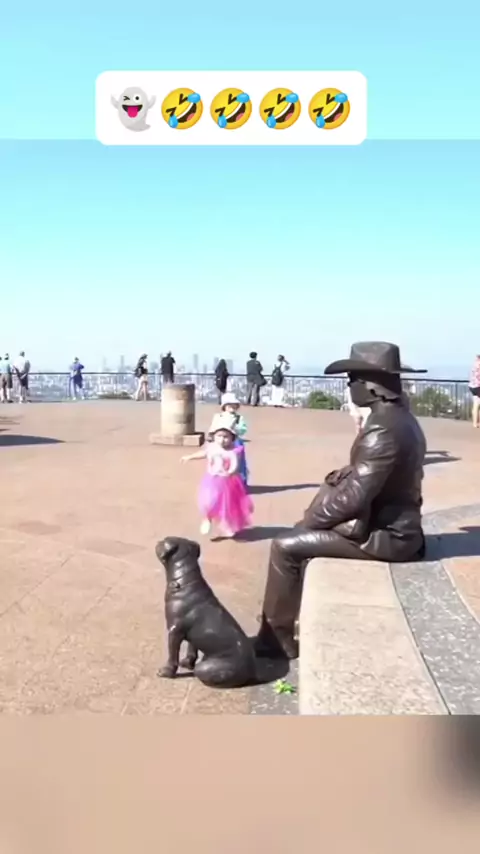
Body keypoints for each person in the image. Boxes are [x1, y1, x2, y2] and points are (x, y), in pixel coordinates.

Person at [254, 341, 428, 661]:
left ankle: (275, 639)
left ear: (370, 386)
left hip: (387, 537)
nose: (349, 386)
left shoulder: (383, 430)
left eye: (352, 379)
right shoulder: (403, 419)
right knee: (299, 537)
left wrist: (307, 522)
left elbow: (353, 497)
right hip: (399, 527)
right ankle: (284, 622)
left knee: (285, 545)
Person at [181, 412, 253, 539]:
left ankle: (227, 526)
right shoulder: (212, 447)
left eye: (226, 437)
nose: (222, 439)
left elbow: (235, 464)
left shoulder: (233, 451)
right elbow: (203, 454)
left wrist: (231, 471)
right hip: (211, 480)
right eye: (219, 436)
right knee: (208, 501)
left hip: (227, 482)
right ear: (214, 436)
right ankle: (207, 518)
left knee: (227, 507)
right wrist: (190, 457)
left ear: (232, 438)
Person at [220, 392, 249, 486]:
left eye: (234, 405)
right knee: (222, 462)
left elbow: (243, 429)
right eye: (229, 405)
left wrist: (235, 428)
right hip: (222, 442)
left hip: (235, 442)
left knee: (238, 463)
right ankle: (223, 482)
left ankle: (240, 482)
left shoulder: (239, 418)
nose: (232, 408)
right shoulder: (220, 417)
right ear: (224, 407)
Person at [469, 355, 480, 428]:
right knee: (477, 405)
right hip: (478, 387)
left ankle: (475, 422)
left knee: (476, 404)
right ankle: (476, 423)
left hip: (472, 386)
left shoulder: (474, 365)